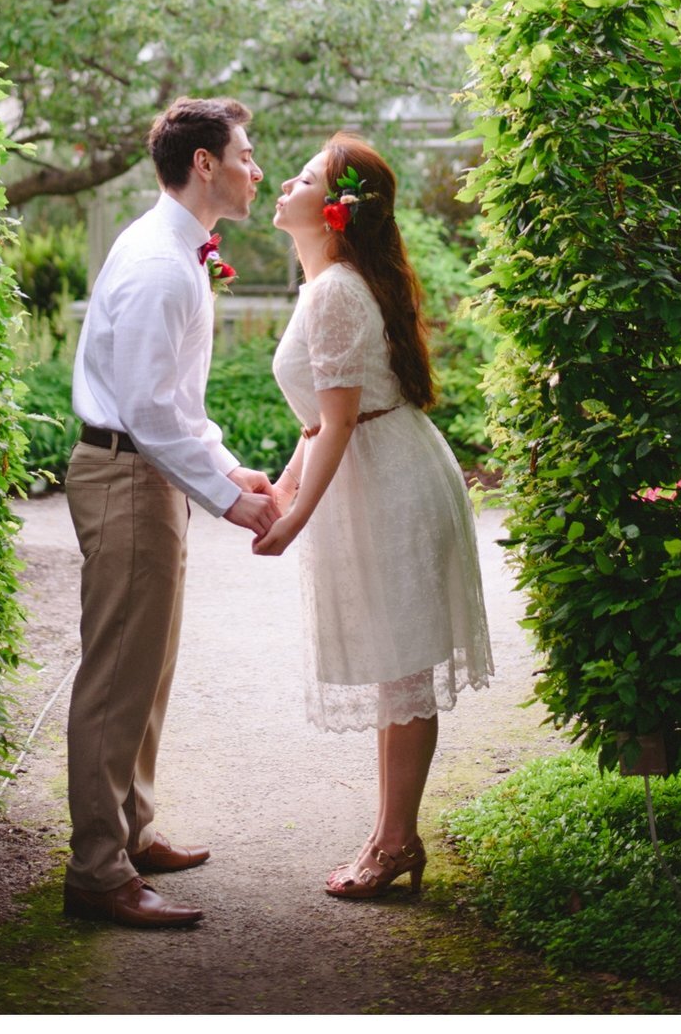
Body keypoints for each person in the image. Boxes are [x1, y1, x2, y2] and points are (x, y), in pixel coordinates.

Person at [252, 134, 493, 898]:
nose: (283, 182)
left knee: (404, 674)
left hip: (393, 486)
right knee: (398, 673)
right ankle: (393, 835)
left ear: (334, 211)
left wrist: (291, 519)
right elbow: (321, 421)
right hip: (379, 471)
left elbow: (343, 421)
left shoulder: (335, 291)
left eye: (304, 176)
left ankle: (395, 842)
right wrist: (283, 488)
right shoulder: (328, 283)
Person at [63, 97, 280, 930]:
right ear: (204, 164)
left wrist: (229, 465)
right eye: (247, 154)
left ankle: (129, 830)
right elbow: (151, 414)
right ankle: (96, 871)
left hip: (144, 470)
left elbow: (177, 406)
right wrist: (230, 501)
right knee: (117, 674)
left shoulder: (175, 250)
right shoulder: (159, 262)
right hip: (125, 474)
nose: (255, 169)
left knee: (146, 667)